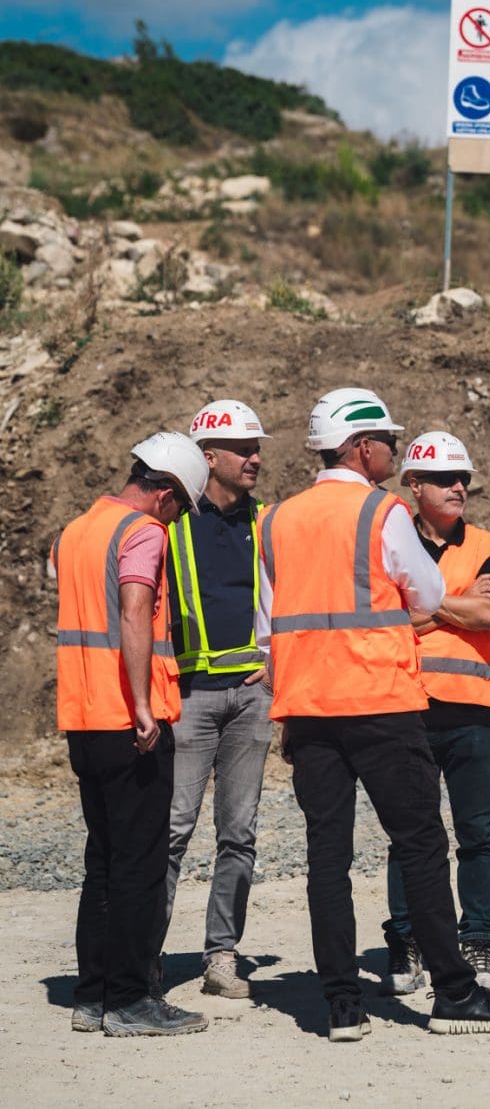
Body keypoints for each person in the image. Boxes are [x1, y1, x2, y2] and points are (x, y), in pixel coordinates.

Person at [256, 388, 490, 1040]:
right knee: (420, 844)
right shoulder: (380, 512)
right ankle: (453, 994)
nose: (393, 449)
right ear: (360, 448)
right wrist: (437, 604)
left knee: (328, 857)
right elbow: (429, 594)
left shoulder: (273, 520)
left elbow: (267, 632)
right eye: (386, 439)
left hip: (307, 710)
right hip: (380, 701)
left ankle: (342, 1005)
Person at [53, 431, 211, 1037]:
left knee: (103, 860)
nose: (177, 520)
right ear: (166, 493)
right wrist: (144, 705)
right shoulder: (142, 532)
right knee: (140, 864)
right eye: (181, 508)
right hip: (129, 721)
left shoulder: (77, 530)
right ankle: (129, 1000)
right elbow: (133, 609)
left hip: (83, 717)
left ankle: (91, 996)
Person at [381, 431, 490, 996]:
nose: (458, 487)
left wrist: (426, 606)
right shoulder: (391, 541)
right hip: (405, 705)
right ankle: (408, 940)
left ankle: (477, 939)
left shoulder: (488, 545)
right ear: (414, 484)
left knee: (476, 833)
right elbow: (386, 617)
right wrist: (458, 604)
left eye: (463, 479)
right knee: (410, 834)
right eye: (444, 479)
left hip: (473, 711)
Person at [158, 400, 273, 999]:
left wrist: (275, 661)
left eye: (257, 448)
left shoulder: (266, 521)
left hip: (250, 697)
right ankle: (142, 958)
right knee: (171, 832)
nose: (255, 458)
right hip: (187, 699)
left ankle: (221, 956)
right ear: (209, 457)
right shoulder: (171, 520)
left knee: (239, 834)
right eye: (244, 450)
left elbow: (290, 597)